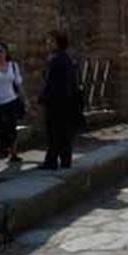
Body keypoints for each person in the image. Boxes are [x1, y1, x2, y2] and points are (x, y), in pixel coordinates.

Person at [39, 31, 83, 170]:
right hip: (67, 101)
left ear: (57, 43)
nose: (48, 44)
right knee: (64, 133)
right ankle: (65, 160)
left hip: (56, 102)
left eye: (50, 41)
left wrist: (43, 98)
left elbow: (51, 83)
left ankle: (51, 161)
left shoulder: (55, 59)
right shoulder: (68, 59)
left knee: (54, 132)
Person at [0, 42, 24, 163]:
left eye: (0, 51)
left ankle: (13, 153)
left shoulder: (13, 66)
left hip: (11, 100)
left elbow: (18, 84)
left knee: (12, 128)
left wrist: (25, 100)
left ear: (6, 53)